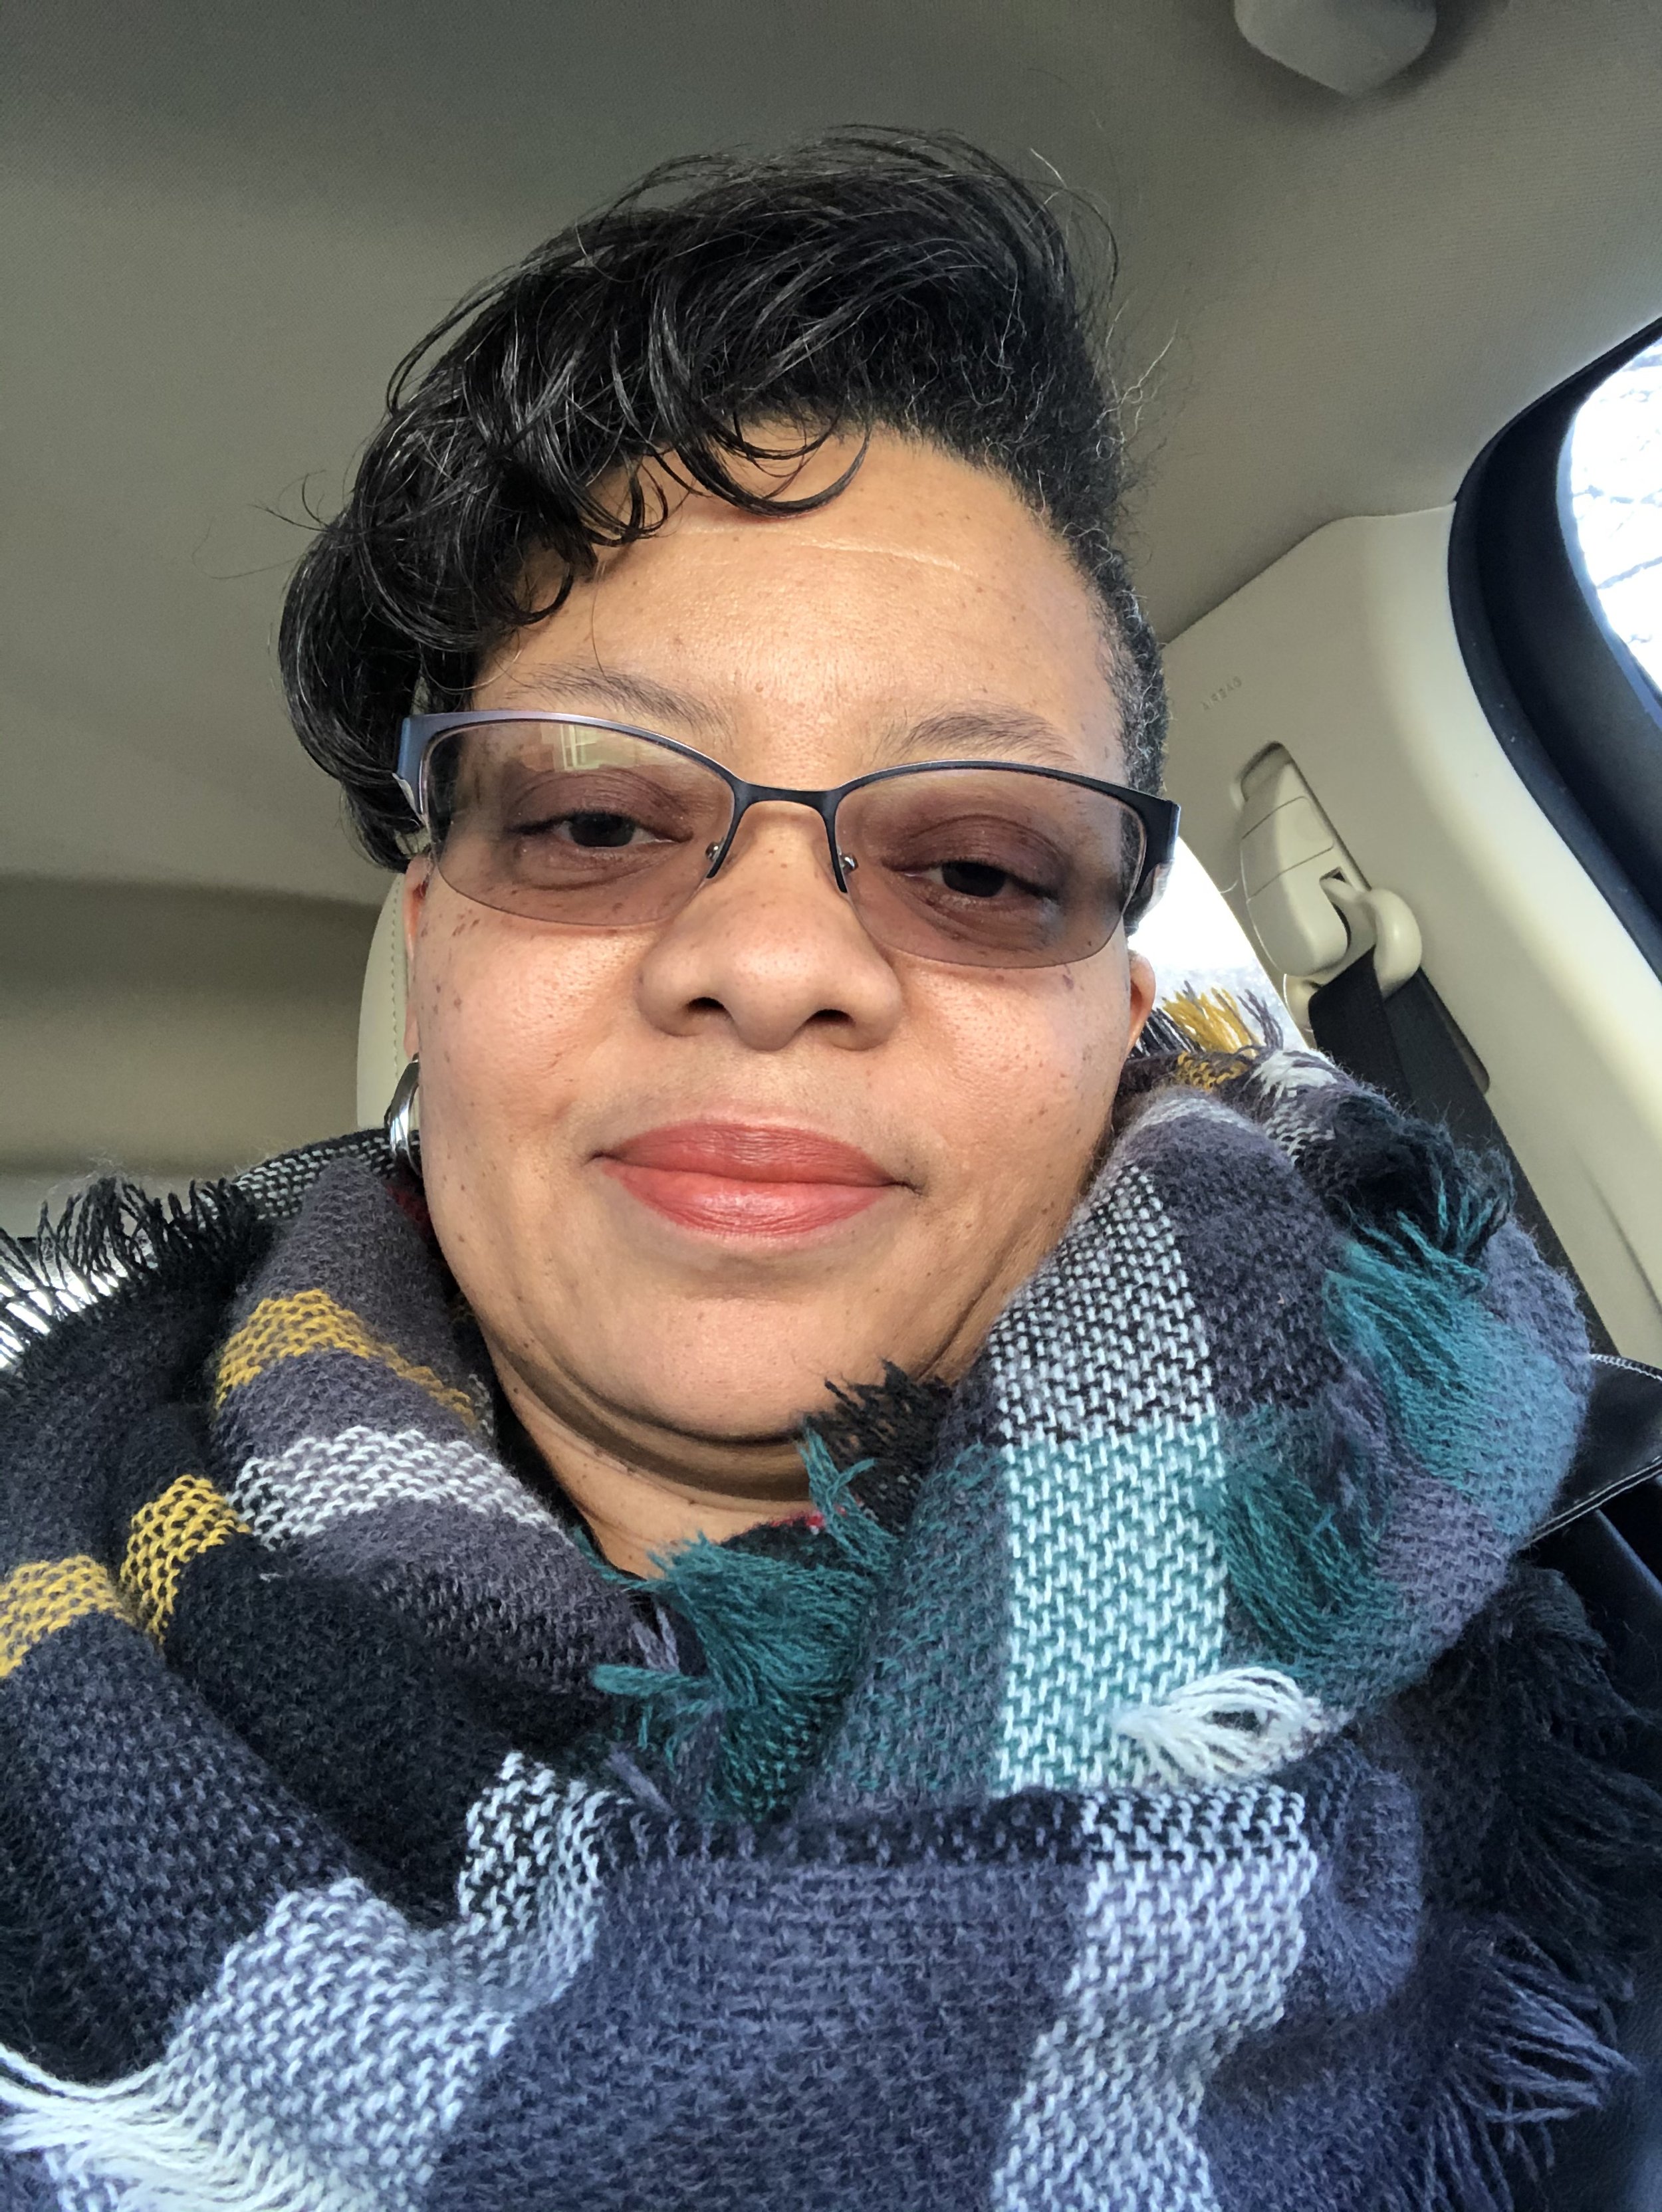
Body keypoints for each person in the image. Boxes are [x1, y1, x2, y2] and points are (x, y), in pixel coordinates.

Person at [0, 132, 1653, 2212]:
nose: (769, 961)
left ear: (1114, 1016)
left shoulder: (1598, 1596)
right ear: (433, 953)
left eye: (977, 862)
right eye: (593, 825)